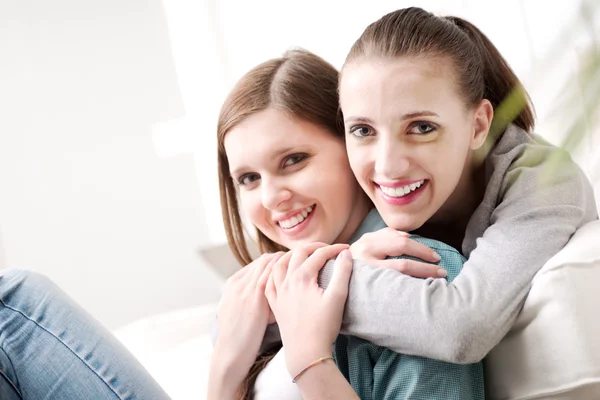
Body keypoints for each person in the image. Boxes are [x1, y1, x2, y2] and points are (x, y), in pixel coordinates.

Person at [219, 6, 598, 399]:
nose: (388, 165)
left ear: (479, 125)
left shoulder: (538, 182)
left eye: (421, 127)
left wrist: (324, 273)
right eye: (363, 130)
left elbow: (462, 327)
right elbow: (229, 325)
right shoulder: (395, 237)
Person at [209, 48, 483, 400]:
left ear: (354, 142)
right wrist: (225, 369)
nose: (270, 198)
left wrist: (310, 360)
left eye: (294, 160)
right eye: (248, 178)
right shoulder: (250, 304)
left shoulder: (415, 271)